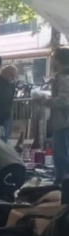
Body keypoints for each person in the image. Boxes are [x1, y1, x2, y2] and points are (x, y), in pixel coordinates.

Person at [50, 47, 69, 185]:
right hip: (62, 122)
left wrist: (45, 101)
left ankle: (63, 183)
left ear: (59, 60)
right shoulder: (62, 78)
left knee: (61, 154)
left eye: (54, 58)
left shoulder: (65, 79)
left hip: (64, 123)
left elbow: (63, 100)